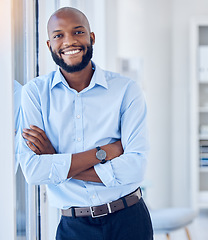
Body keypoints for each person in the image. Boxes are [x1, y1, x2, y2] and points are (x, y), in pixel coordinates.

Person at [18, 7, 153, 240]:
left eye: (78, 32)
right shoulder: (35, 93)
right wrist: (103, 153)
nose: (69, 41)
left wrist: (56, 160)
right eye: (58, 35)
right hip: (74, 229)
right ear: (49, 45)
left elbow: (135, 167)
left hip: (129, 221)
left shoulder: (126, 90)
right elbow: (33, 172)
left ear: (91, 38)